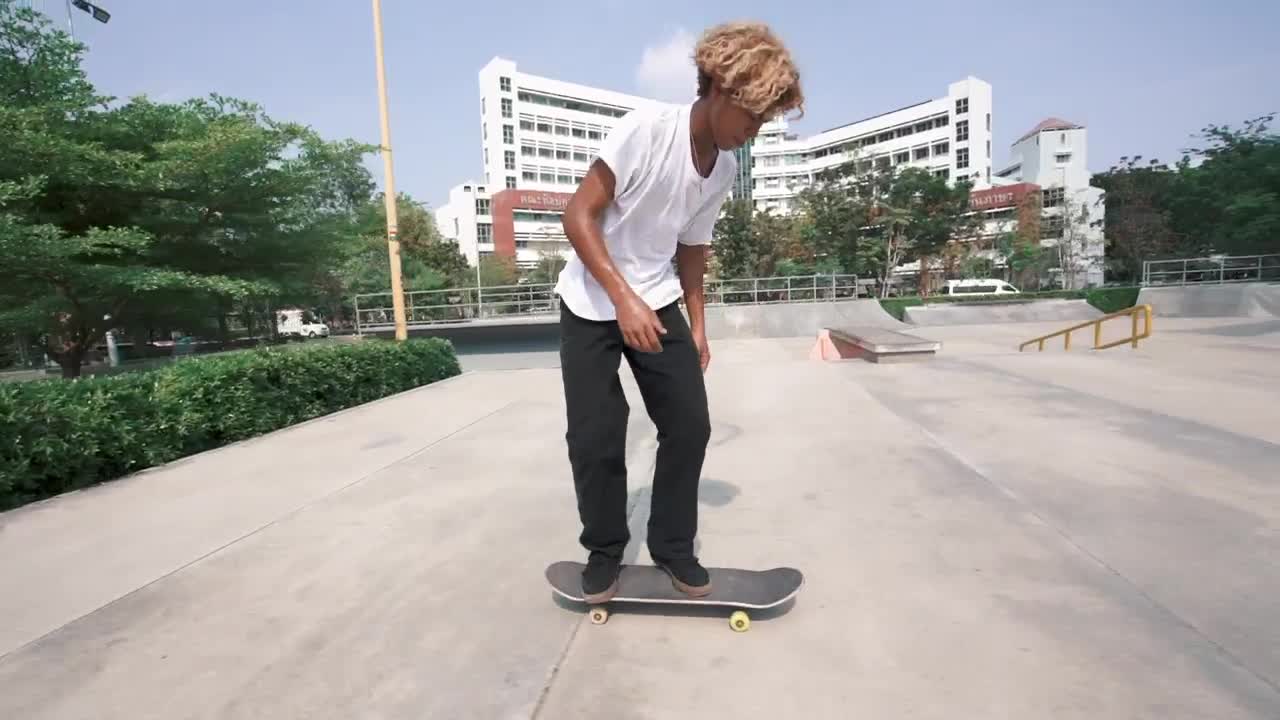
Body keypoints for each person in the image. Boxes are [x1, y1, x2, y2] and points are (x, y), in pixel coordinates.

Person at [554, 21, 804, 603]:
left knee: (690, 424)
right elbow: (577, 216)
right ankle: (605, 551)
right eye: (751, 117)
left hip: (657, 298)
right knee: (596, 434)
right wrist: (622, 298)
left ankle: (673, 548)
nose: (754, 132)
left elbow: (692, 247)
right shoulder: (646, 131)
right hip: (592, 300)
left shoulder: (723, 169)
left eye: (764, 123)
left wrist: (697, 324)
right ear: (719, 89)